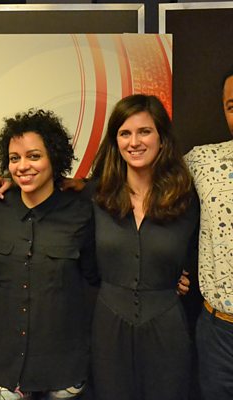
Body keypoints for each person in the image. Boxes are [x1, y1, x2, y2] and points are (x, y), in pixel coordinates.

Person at [0, 109, 98, 400]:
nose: (22, 166)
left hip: (64, 366)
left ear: (54, 158)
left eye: (34, 156)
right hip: (4, 366)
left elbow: (97, 277)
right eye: (14, 158)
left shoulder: (81, 211)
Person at [89, 94, 199, 400]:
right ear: (116, 142)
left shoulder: (188, 198)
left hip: (167, 328)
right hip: (108, 328)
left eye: (144, 131)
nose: (134, 142)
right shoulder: (95, 196)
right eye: (125, 133)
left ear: (162, 139)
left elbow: (203, 251)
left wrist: (184, 274)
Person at [185, 67, 233, 400]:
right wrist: (82, 186)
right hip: (219, 332)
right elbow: (146, 177)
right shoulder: (204, 160)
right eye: (232, 106)